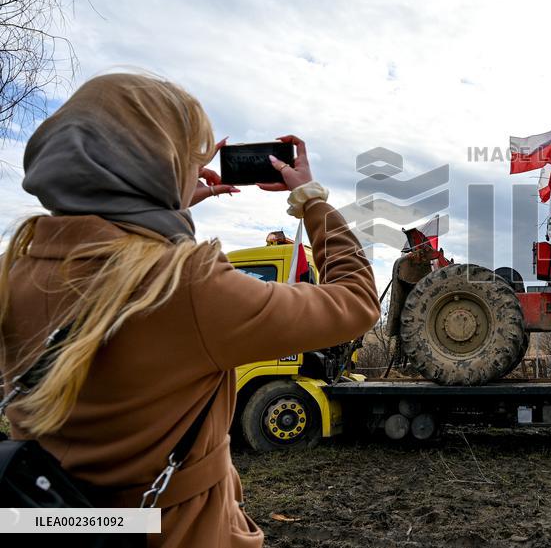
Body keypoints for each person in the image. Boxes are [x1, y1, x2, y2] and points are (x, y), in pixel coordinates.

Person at [0, 74, 381, 547]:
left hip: (53, 517)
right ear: (157, 166)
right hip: (175, 532)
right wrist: (311, 200)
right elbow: (356, 300)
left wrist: (168, 205)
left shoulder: (15, 269)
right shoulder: (189, 286)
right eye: (186, 158)